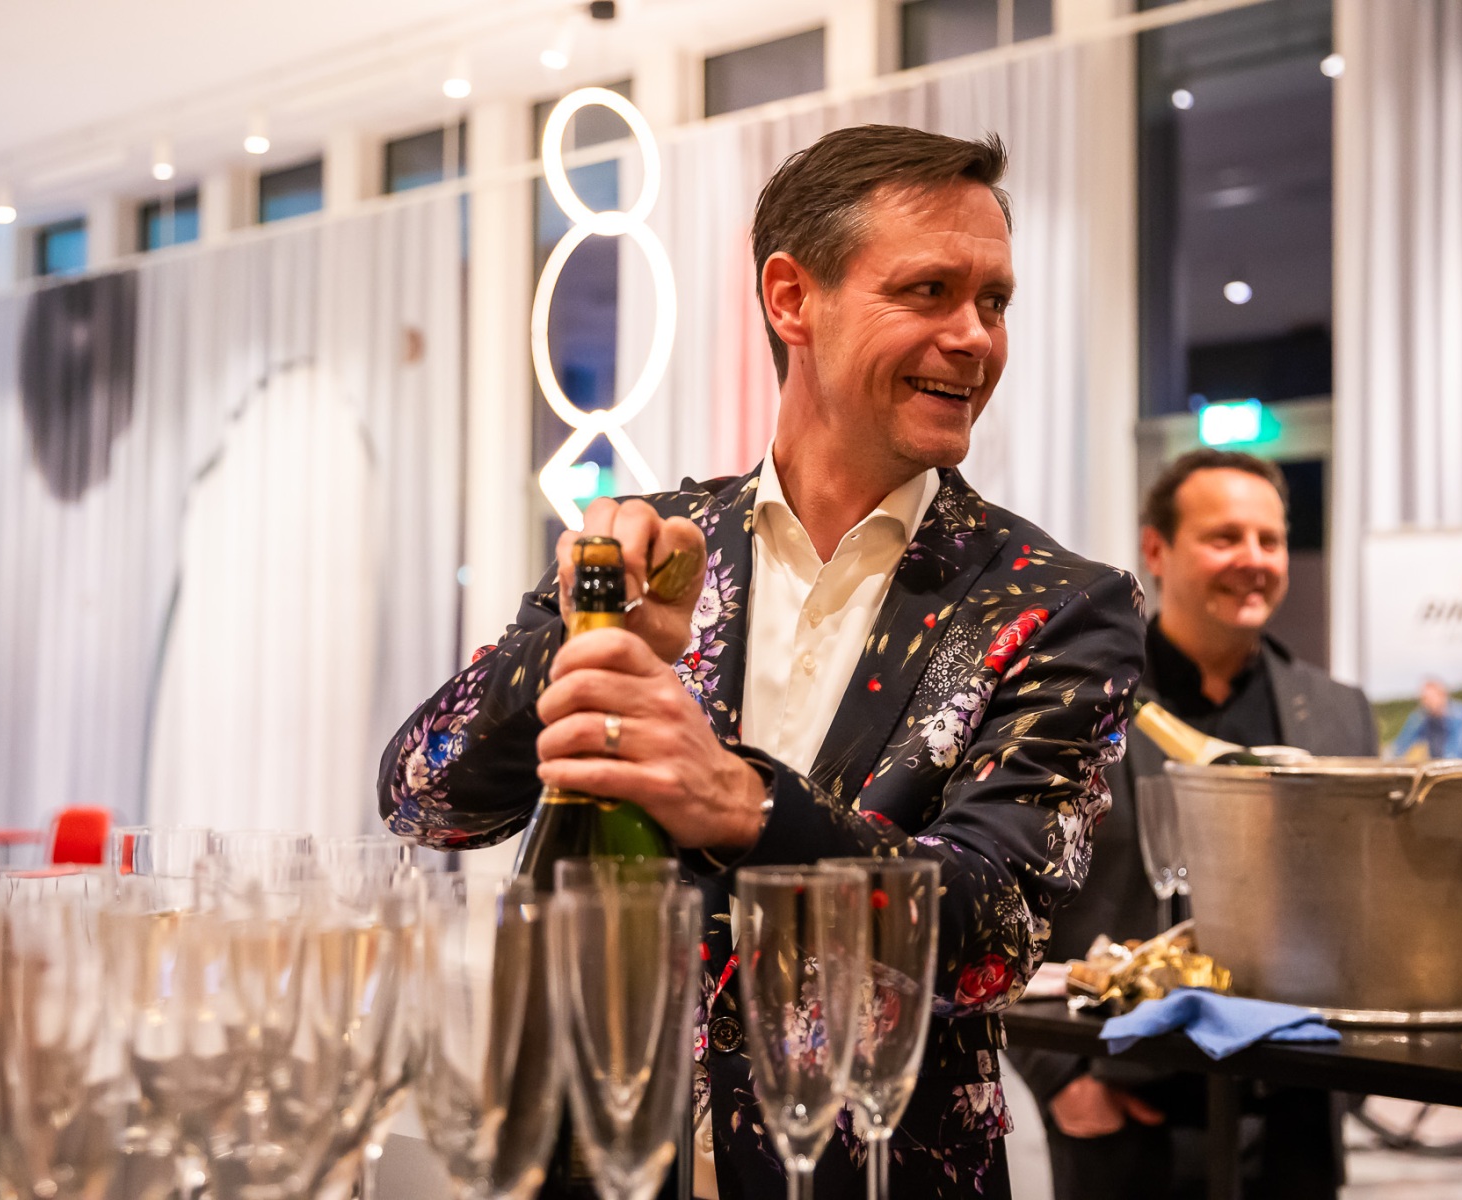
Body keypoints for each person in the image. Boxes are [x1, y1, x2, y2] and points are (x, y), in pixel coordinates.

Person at [379, 125, 1144, 1199]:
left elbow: (994, 936)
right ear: (792, 298)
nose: (975, 337)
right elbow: (423, 800)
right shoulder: (652, 545)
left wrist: (742, 806)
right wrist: (580, 642)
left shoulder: (1059, 605)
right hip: (593, 1163)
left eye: (995, 301)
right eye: (928, 291)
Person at [1011, 448, 1378, 1200]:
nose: (1254, 559)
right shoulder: (1075, 701)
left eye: (1270, 540)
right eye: (1225, 537)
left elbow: (1366, 903)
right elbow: (1008, 896)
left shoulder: (1340, 713)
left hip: (1298, 1118)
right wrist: (1062, 1079)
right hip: (1128, 1117)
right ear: (1156, 550)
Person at [1389, 677, 1462, 760]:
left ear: (1442, 695)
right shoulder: (1422, 716)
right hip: (1437, 764)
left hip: (1458, 764)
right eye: (1424, 699)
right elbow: (1403, 742)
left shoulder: (1460, 713)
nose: (1426, 703)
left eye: (1429, 699)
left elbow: (1458, 748)